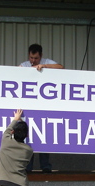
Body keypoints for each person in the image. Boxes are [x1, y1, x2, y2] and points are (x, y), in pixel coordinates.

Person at [19, 44, 63, 172]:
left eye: (36, 58)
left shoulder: (46, 62)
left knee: (43, 136)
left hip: (43, 107)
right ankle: (28, 167)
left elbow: (61, 67)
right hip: (28, 107)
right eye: (31, 58)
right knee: (29, 137)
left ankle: (45, 167)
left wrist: (44, 67)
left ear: (41, 56)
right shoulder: (25, 65)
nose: (33, 61)